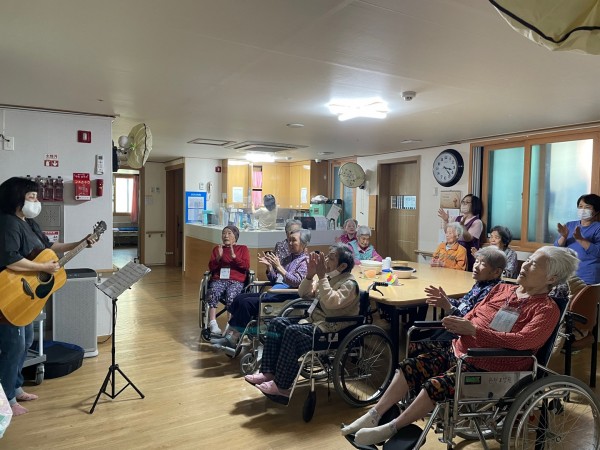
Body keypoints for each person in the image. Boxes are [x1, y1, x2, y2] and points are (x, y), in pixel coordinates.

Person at [341, 246, 578, 446]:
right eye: (528, 260)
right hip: (461, 350)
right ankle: (374, 415)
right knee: (410, 366)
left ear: (551, 278)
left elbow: (524, 341)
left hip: (492, 366)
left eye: (534, 264)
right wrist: (460, 322)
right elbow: (473, 313)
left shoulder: (546, 309)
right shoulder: (502, 288)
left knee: (436, 385)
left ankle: (393, 427)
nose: (525, 265)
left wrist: (475, 331)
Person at [0, 177, 98, 416]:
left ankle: (16, 387)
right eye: (31, 197)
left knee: (25, 342)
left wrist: (81, 243)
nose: (36, 202)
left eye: (36, 197)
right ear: (16, 199)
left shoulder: (29, 223)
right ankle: (6, 399)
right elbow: (10, 259)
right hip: (10, 295)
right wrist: (43, 268)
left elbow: (50, 248)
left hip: (25, 297)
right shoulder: (8, 223)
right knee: (13, 347)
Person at [244, 243, 359, 404]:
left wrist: (322, 277)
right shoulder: (328, 278)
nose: (326, 259)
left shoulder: (349, 284)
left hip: (332, 329)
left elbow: (331, 302)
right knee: (276, 323)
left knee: (292, 332)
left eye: (331, 258)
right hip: (315, 321)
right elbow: (303, 293)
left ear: (342, 266)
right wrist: (310, 276)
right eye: (327, 255)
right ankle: (268, 372)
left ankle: (282, 387)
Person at [211, 228, 310, 349]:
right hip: (274, 292)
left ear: (304, 243)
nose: (289, 243)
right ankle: (228, 334)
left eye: (293, 240)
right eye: (289, 240)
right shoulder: (289, 258)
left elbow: (296, 282)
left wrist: (279, 267)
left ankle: (233, 338)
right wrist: (270, 268)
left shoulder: (305, 261)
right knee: (239, 298)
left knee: (246, 303)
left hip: (285, 296)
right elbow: (275, 280)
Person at [411, 246, 506, 353]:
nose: (476, 266)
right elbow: (463, 305)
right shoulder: (481, 284)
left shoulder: (493, 292)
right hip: (451, 329)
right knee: (414, 344)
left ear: (496, 272)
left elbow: (469, 324)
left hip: (460, 339)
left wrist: (448, 306)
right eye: (476, 261)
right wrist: (446, 299)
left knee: (413, 348)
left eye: (482, 264)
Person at [205, 225, 250, 335]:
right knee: (214, 291)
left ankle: (230, 324)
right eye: (224, 233)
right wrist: (218, 258)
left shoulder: (242, 249)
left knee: (232, 294)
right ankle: (212, 322)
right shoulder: (217, 249)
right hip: (219, 279)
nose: (226, 236)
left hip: (236, 280)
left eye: (229, 233)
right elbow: (211, 268)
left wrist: (235, 257)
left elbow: (246, 266)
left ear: (236, 236)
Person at [555, 193, 600, 285]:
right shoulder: (569, 225)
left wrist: (580, 239)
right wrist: (564, 236)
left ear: (596, 211)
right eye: (580, 206)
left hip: (588, 277)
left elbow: (598, 252)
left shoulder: (598, 228)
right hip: (568, 275)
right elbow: (557, 249)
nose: (583, 210)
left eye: (587, 207)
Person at [438, 194, 483, 271]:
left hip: (468, 256)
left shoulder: (477, 222)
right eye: (463, 201)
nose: (464, 204)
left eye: (467, 202)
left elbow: (468, 238)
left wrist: (462, 226)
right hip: (454, 255)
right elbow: (447, 232)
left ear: (474, 205)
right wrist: (445, 220)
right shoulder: (456, 218)